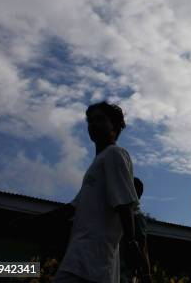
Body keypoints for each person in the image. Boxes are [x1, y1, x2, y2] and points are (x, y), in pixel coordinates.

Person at [46, 101, 149, 283]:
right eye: (90, 121)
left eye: (100, 119)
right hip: (83, 261)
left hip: (92, 261)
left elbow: (124, 203)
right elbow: (73, 207)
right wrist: (34, 221)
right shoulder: (97, 164)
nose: (93, 124)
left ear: (115, 127)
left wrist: (132, 243)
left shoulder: (114, 154)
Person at [120, 178, 151, 283]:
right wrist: (147, 274)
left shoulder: (135, 216)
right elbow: (143, 248)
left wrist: (146, 274)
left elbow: (142, 247)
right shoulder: (137, 216)